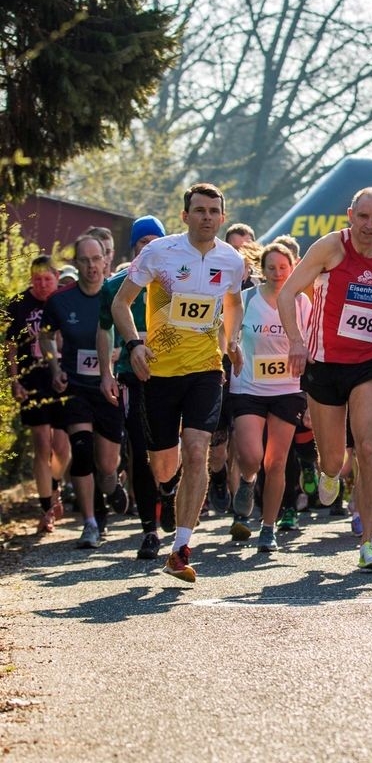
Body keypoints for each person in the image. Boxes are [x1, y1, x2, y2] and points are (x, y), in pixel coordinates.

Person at [110, 183, 248, 582]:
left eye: (213, 211)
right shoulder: (159, 253)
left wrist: (233, 339)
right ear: (185, 216)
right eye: (199, 210)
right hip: (158, 372)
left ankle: (181, 548)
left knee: (197, 448)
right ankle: (168, 491)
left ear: (222, 217)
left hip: (206, 369)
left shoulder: (231, 259)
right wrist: (134, 344)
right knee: (164, 465)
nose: (207, 217)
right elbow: (121, 302)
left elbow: (233, 303)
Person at [278, 187, 372, 572]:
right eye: (363, 217)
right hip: (324, 364)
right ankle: (328, 472)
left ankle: (369, 542)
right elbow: (288, 295)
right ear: (351, 214)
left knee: (370, 449)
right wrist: (296, 342)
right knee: (335, 459)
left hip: (368, 363)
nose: (369, 225)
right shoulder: (330, 248)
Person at [41, 236, 128, 550]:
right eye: (85, 260)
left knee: (106, 465)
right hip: (76, 386)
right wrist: (55, 369)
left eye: (97, 259)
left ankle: (112, 486)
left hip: (111, 389)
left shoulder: (120, 294)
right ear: (76, 264)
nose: (92, 266)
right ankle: (90, 523)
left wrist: (122, 352)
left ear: (106, 259)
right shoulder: (60, 301)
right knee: (80, 450)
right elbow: (46, 336)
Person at [228, 242, 312, 554]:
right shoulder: (247, 299)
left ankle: (268, 527)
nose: (277, 274)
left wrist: (311, 395)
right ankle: (248, 480)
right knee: (251, 456)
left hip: (287, 390)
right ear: (261, 270)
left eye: (283, 268)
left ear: (293, 268)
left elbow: (312, 348)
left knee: (276, 462)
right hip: (248, 386)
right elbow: (230, 335)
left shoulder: (302, 303)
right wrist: (231, 347)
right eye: (271, 268)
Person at [98, 216, 167, 559]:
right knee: (139, 453)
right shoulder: (116, 284)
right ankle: (149, 531)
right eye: (142, 242)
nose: (148, 247)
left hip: (173, 375)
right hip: (131, 376)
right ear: (134, 247)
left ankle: (168, 492)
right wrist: (106, 373)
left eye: (155, 241)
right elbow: (103, 328)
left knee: (171, 450)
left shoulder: (177, 282)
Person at [5, 255, 68, 532]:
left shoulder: (65, 301)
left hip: (63, 381)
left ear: (56, 278)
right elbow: (11, 347)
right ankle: (47, 508)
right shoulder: (19, 304)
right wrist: (14, 381)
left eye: (47, 279)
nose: (42, 285)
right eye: (37, 280)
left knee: (62, 449)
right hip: (33, 381)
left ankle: (56, 486)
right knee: (42, 444)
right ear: (31, 279)